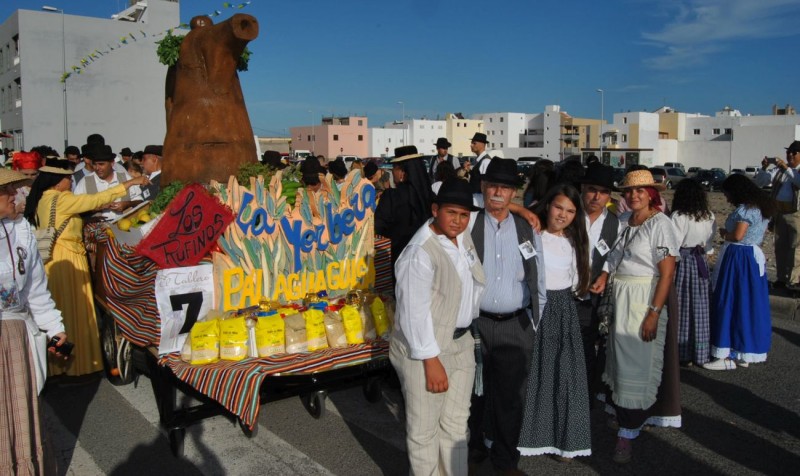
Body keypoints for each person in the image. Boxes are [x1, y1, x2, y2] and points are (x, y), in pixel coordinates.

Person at [390, 178, 485, 476]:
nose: (458, 220)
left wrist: (527, 212)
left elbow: (494, 207)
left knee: (457, 424)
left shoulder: (460, 233)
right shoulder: (419, 252)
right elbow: (412, 313)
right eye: (451, 213)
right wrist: (431, 361)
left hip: (462, 341)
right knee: (424, 430)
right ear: (435, 210)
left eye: (464, 214)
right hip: (426, 348)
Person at [24, 161, 149, 377]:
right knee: (75, 310)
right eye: (68, 178)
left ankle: (58, 365)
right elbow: (97, 198)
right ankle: (76, 366)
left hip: (56, 258)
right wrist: (131, 182)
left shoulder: (45, 198)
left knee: (63, 310)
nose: (71, 182)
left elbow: (88, 204)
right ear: (58, 181)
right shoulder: (61, 198)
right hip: (68, 258)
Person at [589, 169, 680, 464]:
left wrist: (654, 312)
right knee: (617, 363)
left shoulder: (661, 224)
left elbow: (667, 273)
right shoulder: (627, 222)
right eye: (628, 191)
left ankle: (627, 433)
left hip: (643, 298)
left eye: (640, 191)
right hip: (620, 297)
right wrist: (604, 275)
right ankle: (625, 420)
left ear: (652, 194)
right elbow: (615, 256)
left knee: (636, 366)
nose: (633, 195)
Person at [467, 158, 546, 475]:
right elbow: (443, 194)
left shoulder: (528, 227)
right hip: (475, 324)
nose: (498, 192)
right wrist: (519, 207)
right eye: (493, 185)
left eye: (506, 187)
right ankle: (472, 451)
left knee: (510, 400)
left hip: (516, 326)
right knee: (472, 395)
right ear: (483, 187)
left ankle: (505, 460)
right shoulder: (470, 218)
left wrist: (533, 326)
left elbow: (538, 278)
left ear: (515, 190)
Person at [0, 169, 70, 474]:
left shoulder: (21, 231)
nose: (17, 194)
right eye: (8, 190)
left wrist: (55, 328)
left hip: (15, 337)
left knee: (20, 415)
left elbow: (34, 290)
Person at [518, 183, 592, 460]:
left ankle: (565, 441)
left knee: (563, 377)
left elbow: (576, 284)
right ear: (547, 205)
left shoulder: (575, 242)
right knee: (531, 375)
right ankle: (528, 436)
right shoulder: (530, 232)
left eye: (570, 211)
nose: (563, 214)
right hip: (532, 307)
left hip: (562, 310)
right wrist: (522, 209)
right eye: (559, 206)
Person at [705, 174, 774, 370]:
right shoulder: (762, 208)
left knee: (729, 300)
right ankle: (745, 352)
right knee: (749, 304)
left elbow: (738, 235)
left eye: (727, 194)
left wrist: (724, 234)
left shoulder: (745, 210)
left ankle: (725, 353)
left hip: (738, 257)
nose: (726, 198)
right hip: (753, 258)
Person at [576, 164, 620, 398]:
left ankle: (585, 395)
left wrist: (604, 273)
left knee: (586, 345)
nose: (596, 196)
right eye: (592, 189)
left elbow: (615, 255)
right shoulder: (569, 214)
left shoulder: (615, 223)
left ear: (609, 196)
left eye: (602, 192)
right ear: (583, 188)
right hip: (563, 293)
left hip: (592, 296)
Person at [670, 179, 716, 366]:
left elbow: (674, 243)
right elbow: (710, 244)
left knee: (681, 306)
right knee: (700, 306)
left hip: (683, 260)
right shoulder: (708, 215)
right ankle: (700, 351)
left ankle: (682, 352)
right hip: (701, 262)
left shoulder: (678, 216)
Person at [375, 146, 433, 268]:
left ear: (402, 172)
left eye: (394, 169)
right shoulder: (431, 196)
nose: (392, 173)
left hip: (401, 255)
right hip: (429, 257)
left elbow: (379, 226)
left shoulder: (392, 197)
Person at [73, 143, 142, 221]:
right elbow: (76, 208)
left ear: (112, 163)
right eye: (94, 164)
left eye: (101, 164)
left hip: (123, 227)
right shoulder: (85, 182)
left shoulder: (125, 177)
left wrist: (127, 204)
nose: (97, 168)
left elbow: (140, 201)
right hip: (96, 229)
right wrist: (97, 208)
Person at [771, 140, 800, 290]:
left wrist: (785, 168)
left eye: (793, 152)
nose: (789, 155)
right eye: (788, 152)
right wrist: (764, 168)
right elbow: (764, 180)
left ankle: (794, 280)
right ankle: (781, 278)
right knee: (780, 246)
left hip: (796, 214)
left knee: (796, 248)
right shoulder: (781, 171)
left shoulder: (793, 171)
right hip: (780, 212)